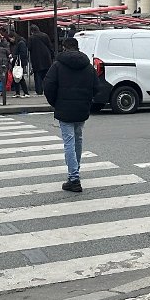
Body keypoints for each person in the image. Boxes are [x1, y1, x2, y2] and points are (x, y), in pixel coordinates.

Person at [43, 37, 98, 192]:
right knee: (78, 140)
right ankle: (75, 170)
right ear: (77, 47)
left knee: (69, 142)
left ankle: (74, 178)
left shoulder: (58, 65)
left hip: (64, 108)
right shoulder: (87, 66)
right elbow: (96, 87)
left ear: (64, 48)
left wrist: (55, 103)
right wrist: (87, 100)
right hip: (82, 108)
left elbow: (48, 86)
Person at [28, 23, 54, 95]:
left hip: (36, 58)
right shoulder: (45, 35)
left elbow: (29, 47)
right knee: (46, 75)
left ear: (32, 31)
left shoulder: (31, 38)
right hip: (46, 58)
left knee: (37, 76)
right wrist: (52, 55)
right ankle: (48, 89)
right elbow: (50, 46)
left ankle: (39, 91)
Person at [8, 30, 30, 98]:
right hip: (18, 62)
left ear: (13, 37)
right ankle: (19, 92)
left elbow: (22, 54)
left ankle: (25, 92)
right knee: (17, 76)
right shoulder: (19, 42)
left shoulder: (20, 43)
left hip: (19, 62)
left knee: (19, 77)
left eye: (10, 39)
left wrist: (14, 57)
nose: (10, 40)